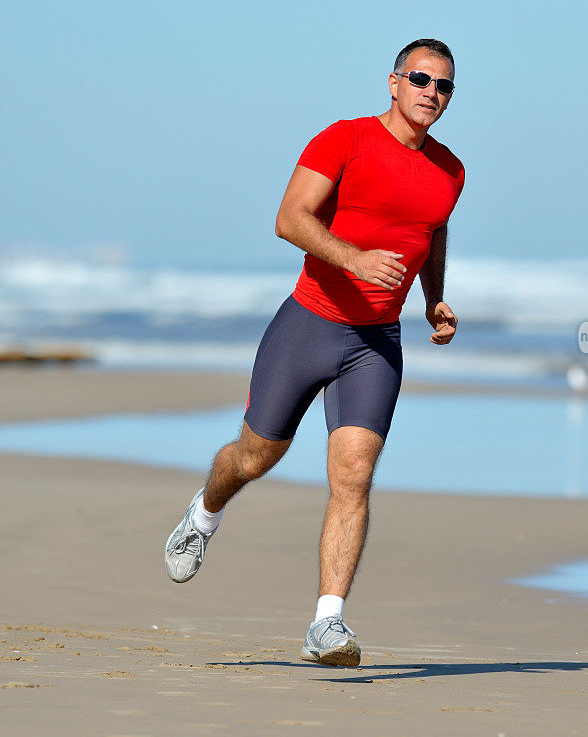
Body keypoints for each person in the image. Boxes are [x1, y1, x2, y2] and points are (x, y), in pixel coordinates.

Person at [165, 38, 465, 667]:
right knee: (255, 456)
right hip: (310, 323)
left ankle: (327, 623)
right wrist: (354, 258)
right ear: (392, 82)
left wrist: (433, 299)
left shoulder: (451, 171)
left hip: (377, 343)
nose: (431, 94)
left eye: (444, 86)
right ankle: (204, 512)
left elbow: (431, 234)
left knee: (353, 477)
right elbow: (290, 218)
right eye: (420, 79)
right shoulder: (344, 140)